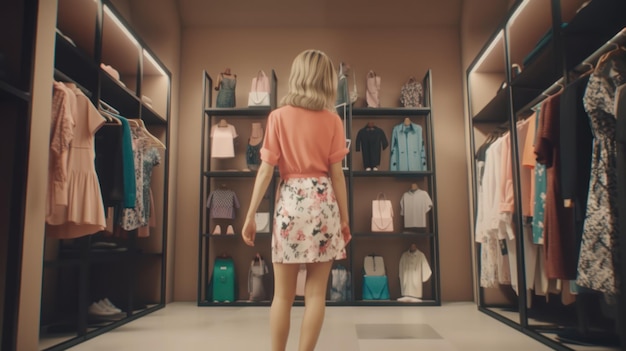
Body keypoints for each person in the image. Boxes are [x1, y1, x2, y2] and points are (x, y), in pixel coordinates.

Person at [242, 49, 351, 351]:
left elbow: (265, 171)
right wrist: (344, 218)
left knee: (282, 296)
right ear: (325, 80)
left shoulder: (277, 117)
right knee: (316, 295)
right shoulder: (333, 120)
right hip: (324, 201)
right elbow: (338, 175)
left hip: (290, 203)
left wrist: (250, 214)